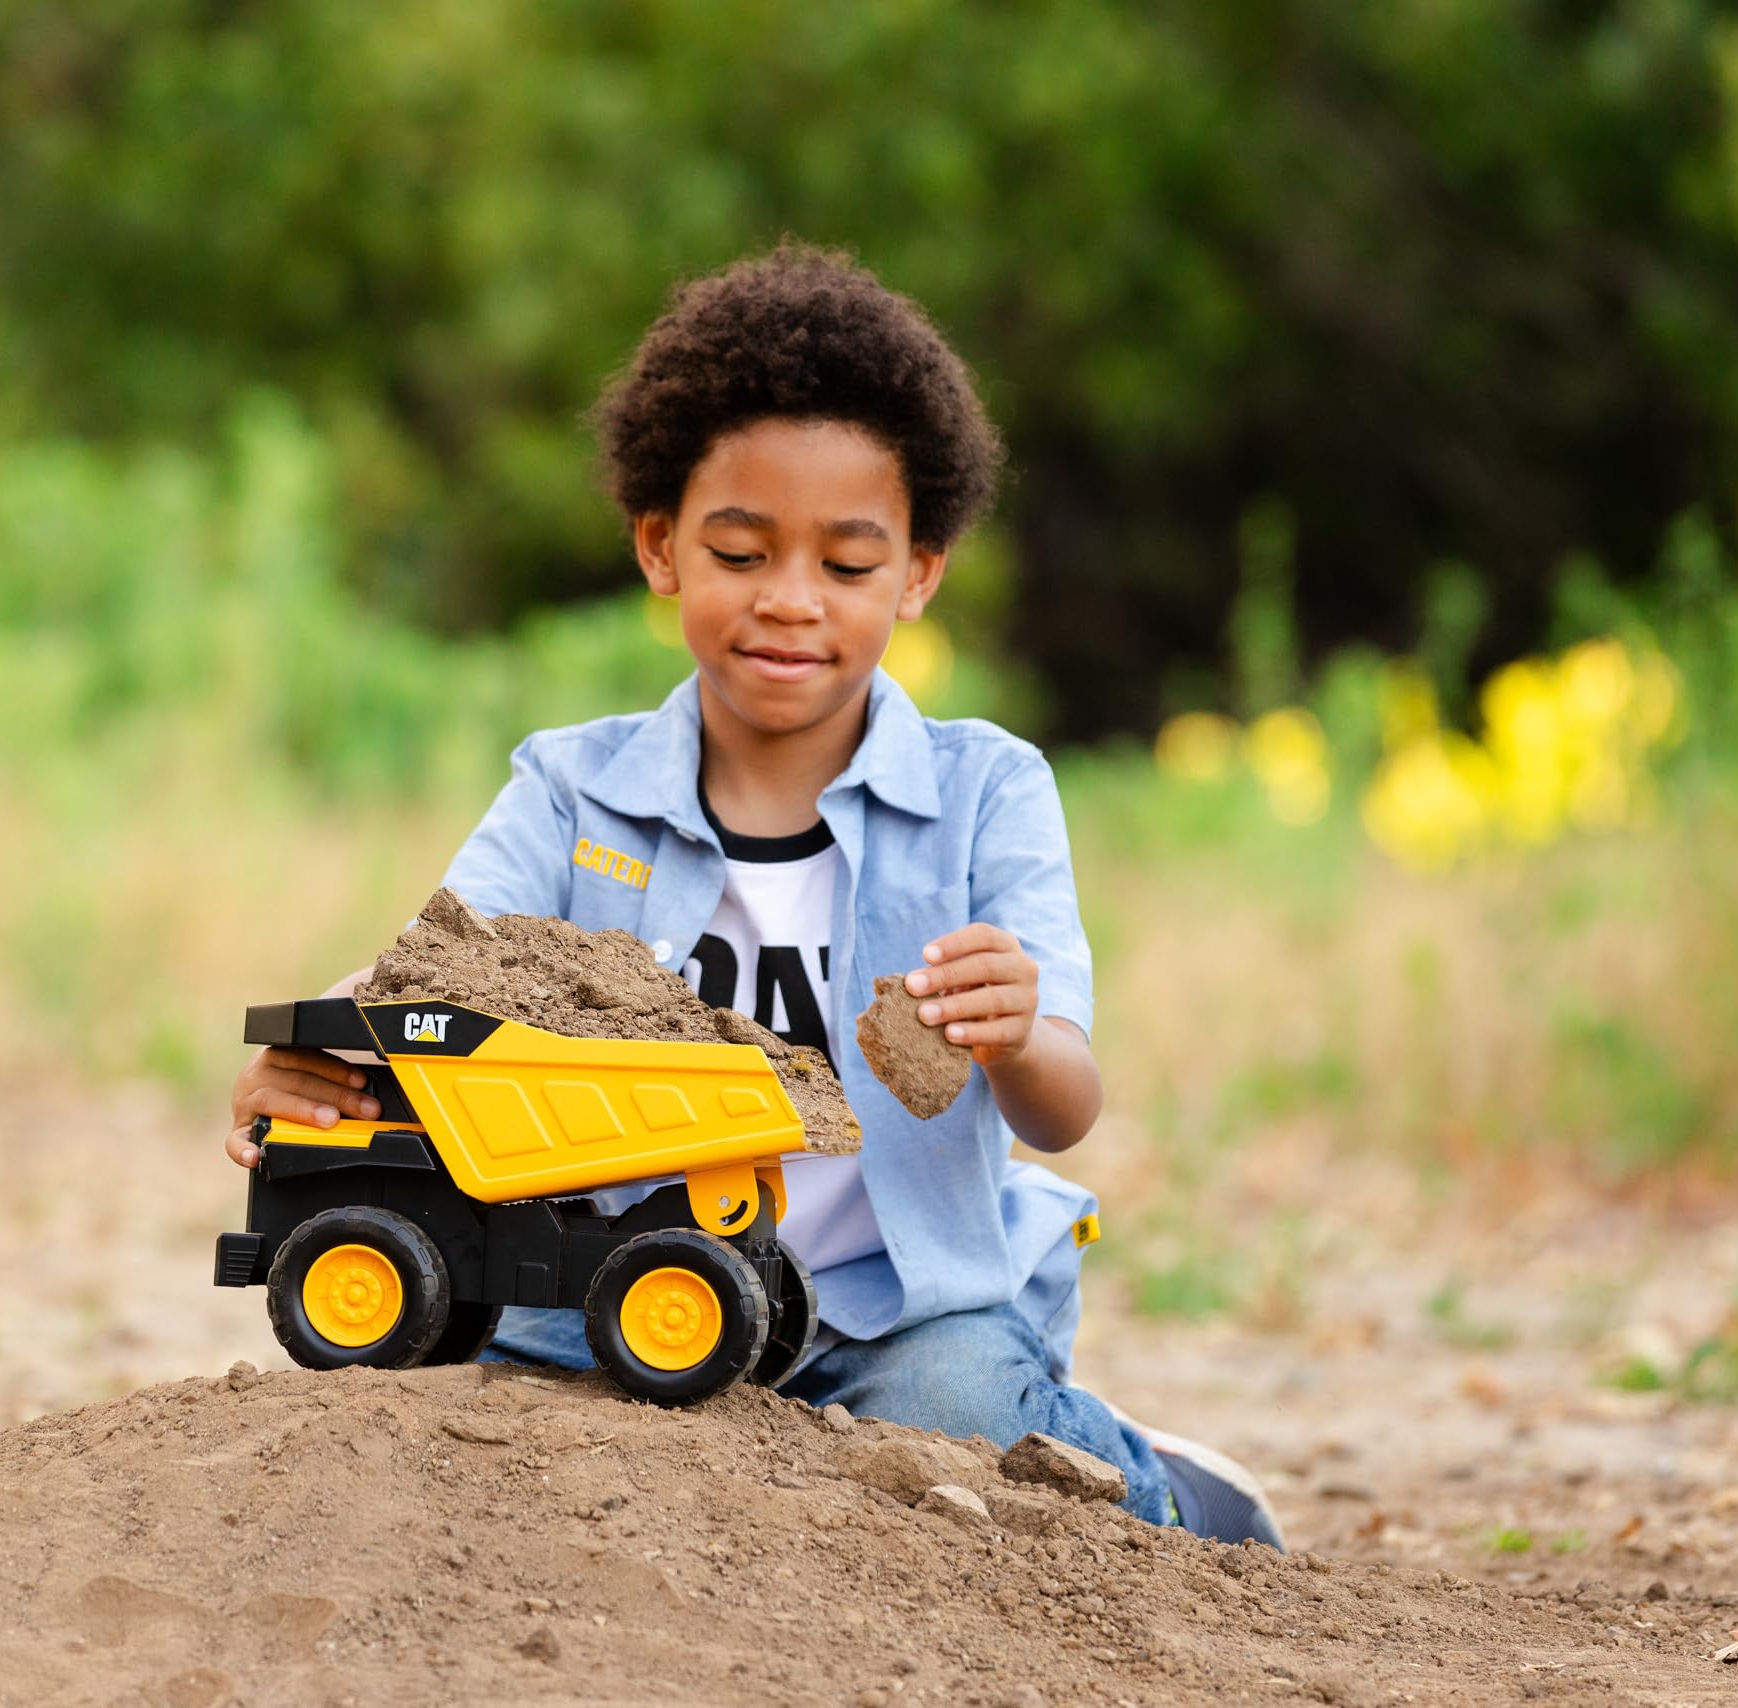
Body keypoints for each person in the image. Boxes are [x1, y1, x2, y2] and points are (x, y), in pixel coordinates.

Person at [226, 241, 1282, 1548]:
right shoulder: (571, 790)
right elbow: (431, 978)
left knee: (956, 1408)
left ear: (918, 573)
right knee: (483, 1437)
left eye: (846, 566)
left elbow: (1065, 1110)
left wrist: (1015, 1033)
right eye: (741, 551)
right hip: (614, 1282)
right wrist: (314, 1056)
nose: (790, 602)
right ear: (663, 548)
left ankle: (1172, 1494)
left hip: (900, 1304)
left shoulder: (984, 794)